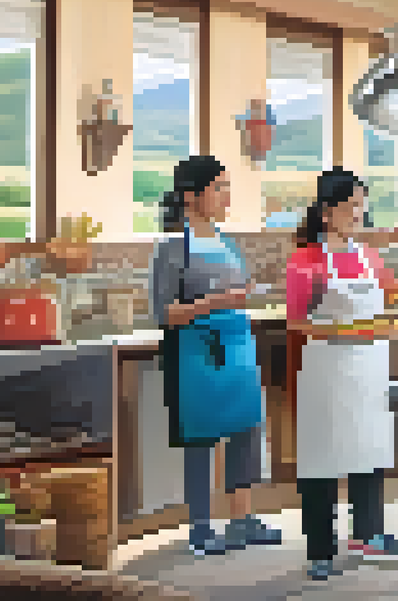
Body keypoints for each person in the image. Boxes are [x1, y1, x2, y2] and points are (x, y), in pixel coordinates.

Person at [284, 168, 398, 579]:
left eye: (362, 206)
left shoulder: (367, 255)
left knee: (370, 448)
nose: (360, 215)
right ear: (327, 213)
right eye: (351, 208)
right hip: (326, 368)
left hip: (367, 367)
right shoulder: (305, 260)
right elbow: (296, 322)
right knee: (322, 458)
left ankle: (367, 534)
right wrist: (356, 329)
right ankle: (320, 550)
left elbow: (390, 290)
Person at [150, 155, 282, 556]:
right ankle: (201, 527)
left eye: (227, 186)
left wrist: (249, 293)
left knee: (246, 430)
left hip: (237, 345)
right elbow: (166, 312)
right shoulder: (173, 245)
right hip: (198, 350)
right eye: (219, 187)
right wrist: (219, 300)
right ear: (191, 196)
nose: (227, 195)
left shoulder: (226, 242)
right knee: (201, 436)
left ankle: (242, 520)